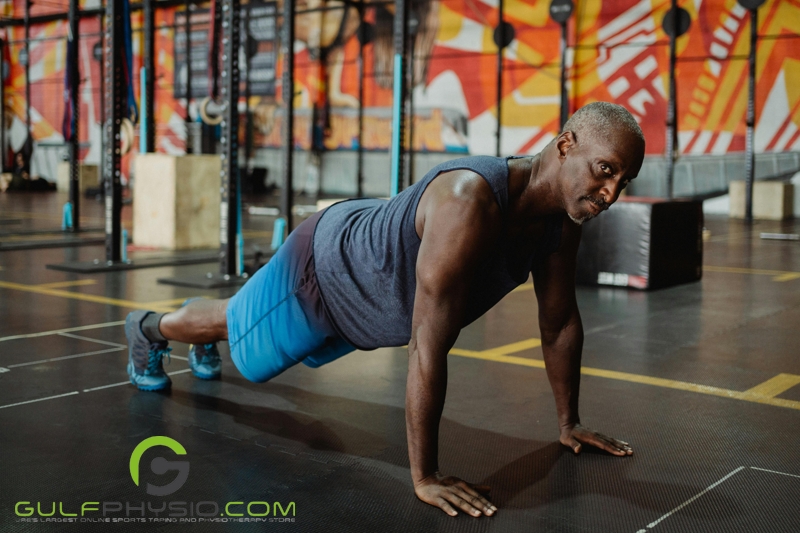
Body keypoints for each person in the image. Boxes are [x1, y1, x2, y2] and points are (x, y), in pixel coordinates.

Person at [126, 101, 645, 518]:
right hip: (326, 272)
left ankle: (210, 331)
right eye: (605, 171)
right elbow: (427, 343)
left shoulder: (559, 224)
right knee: (241, 333)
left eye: (623, 181)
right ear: (564, 145)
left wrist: (569, 422)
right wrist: (424, 476)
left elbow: (558, 325)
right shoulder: (470, 204)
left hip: (368, 298)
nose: (611, 193)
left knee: (244, 329)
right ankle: (150, 329)